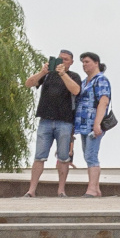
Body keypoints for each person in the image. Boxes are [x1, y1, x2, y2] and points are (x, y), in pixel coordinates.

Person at [25, 51, 81, 196]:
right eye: (60, 58)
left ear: (71, 62)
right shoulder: (48, 75)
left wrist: (63, 74)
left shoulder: (74, 76)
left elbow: (76, 90)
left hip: (65, 122)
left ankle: (61, 190)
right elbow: (28, 83)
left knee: (63, 157)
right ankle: (31, 190)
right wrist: (42, 72)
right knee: (39, 156)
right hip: (45, 120)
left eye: (65, 59)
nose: (62, 61)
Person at [72, 52, 114, 199]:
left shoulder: (100, 80)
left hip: (93, 124)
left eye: (87, 62)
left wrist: (97, 124)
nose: (84, 65)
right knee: (87, 154)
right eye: (83, 62)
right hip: (83, 124)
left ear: (96, 63)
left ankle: (91, 189)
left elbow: (103, 101)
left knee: (91, 155)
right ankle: (96, 189)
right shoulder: (84, 82)